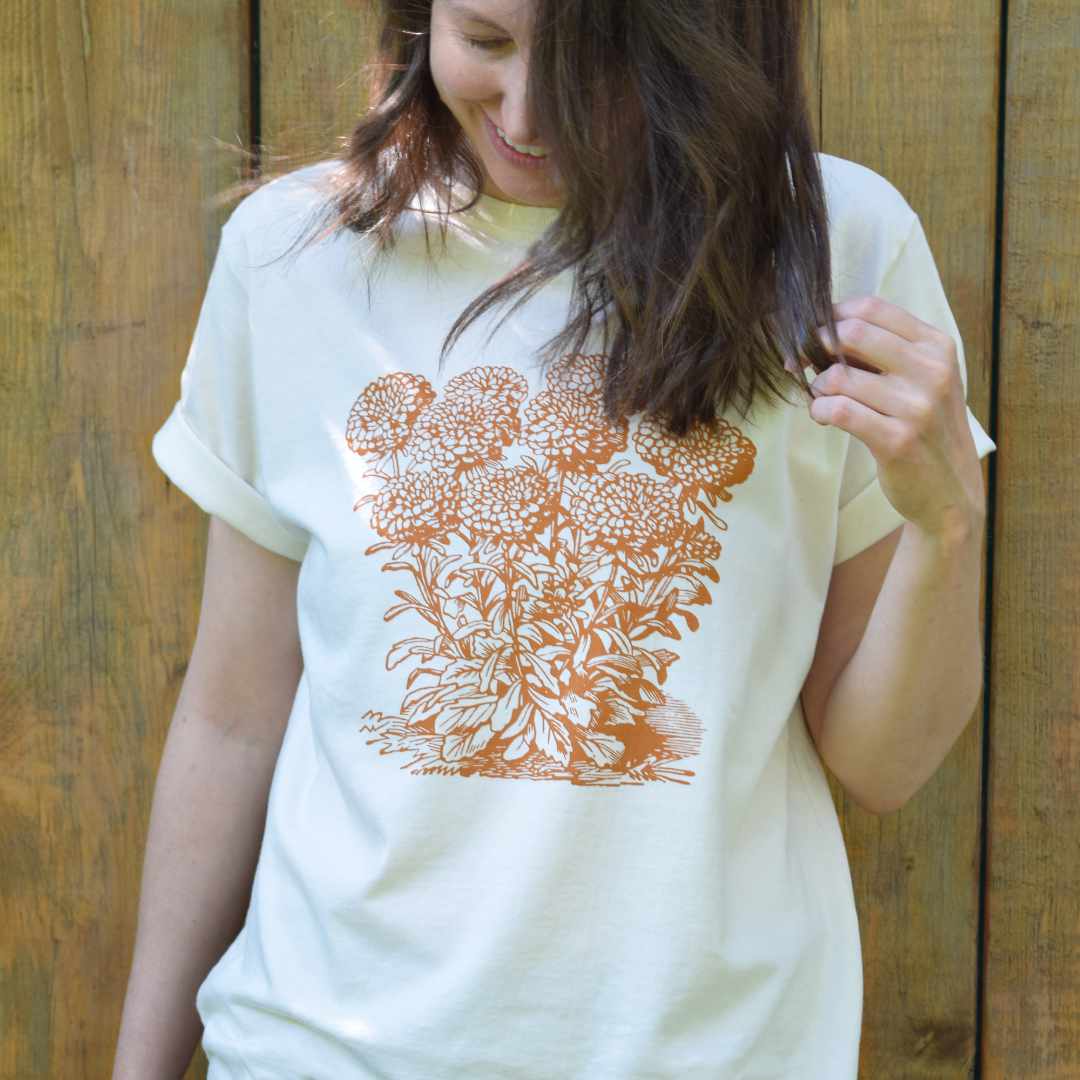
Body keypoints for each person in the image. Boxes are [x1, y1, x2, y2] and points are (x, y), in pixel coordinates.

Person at [114, 0, 997, 1076]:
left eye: (593, 61)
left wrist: (946, 523)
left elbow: (884, 765)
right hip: (322, 1046)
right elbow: (233, 719)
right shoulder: (294, 255)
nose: (527, 113)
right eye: (483, 41)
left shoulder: (834, 244)